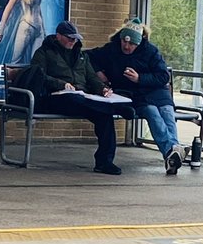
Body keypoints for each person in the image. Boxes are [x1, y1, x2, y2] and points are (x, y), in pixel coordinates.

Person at [30, 20, 134, 175]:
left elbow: (92, 77)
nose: (73, 41)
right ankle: (115, 108)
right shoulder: (43, 53)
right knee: (77, 100)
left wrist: (103, 89)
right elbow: (38, 76)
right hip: (53, 98)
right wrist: (61, 84)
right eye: (69, 38)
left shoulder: (81, 55)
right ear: (58, 36)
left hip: (82, 98)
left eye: (75, 38)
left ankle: (104, 162)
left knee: (104, 115)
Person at [89, 17, 185, 175]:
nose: (126, 46)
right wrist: (99, 73)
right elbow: (89, 56)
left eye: (131, 44)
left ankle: (171, 153)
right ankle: (173, 152)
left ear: (139, 42)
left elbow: (163, 76)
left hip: (157, 92)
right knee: (153, 114)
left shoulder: (151, 51)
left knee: (167, 114)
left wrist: (140, 78)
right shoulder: (111, 49)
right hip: (137, 95)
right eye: (124, 42)